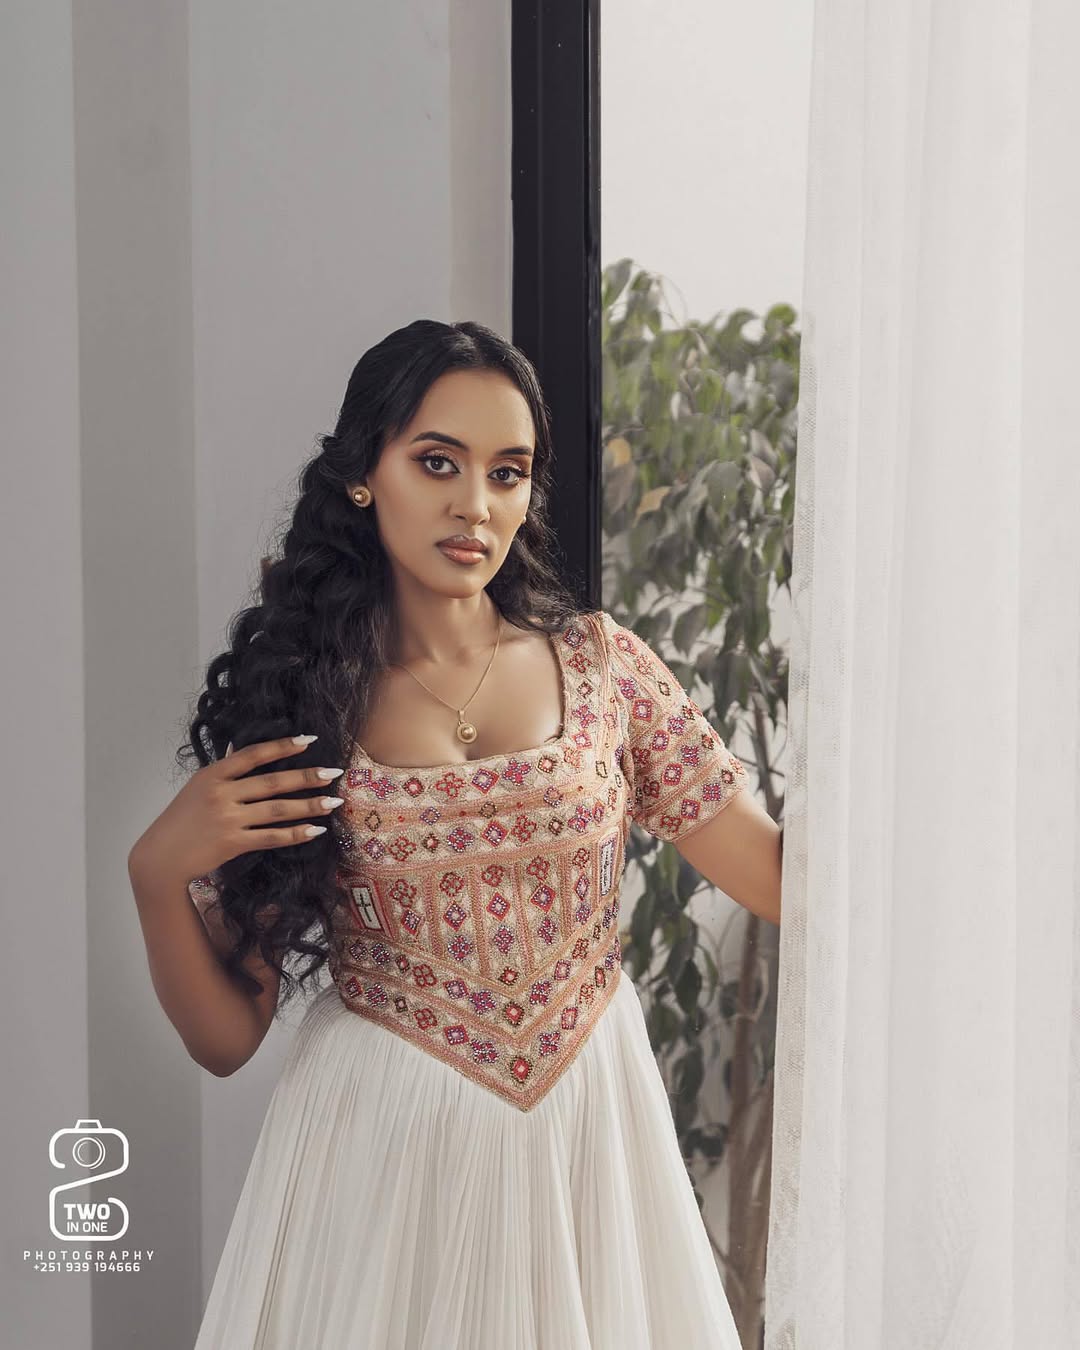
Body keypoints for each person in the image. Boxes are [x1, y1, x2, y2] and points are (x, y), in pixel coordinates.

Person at [127, 319, 783, 1349]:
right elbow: (225, 1038)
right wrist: (156, 871)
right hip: (381, 1152)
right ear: (363, 474)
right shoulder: (305, 703)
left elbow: (779, 879)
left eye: (507, 473)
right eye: (438, 463)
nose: (475, 506)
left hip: (589, 1132)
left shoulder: (603, 671)